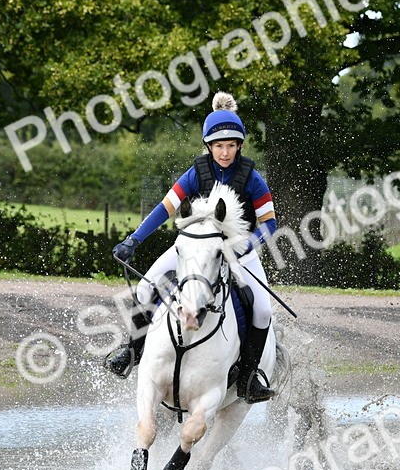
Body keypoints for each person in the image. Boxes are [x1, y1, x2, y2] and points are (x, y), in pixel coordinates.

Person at [104, 92, 278, 403]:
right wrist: (134, 239)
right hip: (195, 246)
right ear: (209, 147)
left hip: (239, 251)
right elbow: (165, 208)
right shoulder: (197, 172)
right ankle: (132, 350)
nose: (224, 152)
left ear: (240, 146)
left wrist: (244, 248)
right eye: (218, 146)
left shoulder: (252, 178)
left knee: (263, 309)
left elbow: (269, 225)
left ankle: (251, 377)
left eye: (230, 146)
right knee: (144, 291)